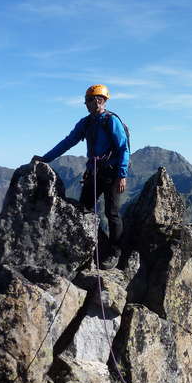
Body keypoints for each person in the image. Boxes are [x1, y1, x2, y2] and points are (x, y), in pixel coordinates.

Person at [33, 84, 129, 269]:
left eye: (89, 100)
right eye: (86, 101)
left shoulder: (111, 121)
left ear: (100, 100)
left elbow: (124, 148)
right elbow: (68, 142)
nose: (86, 104)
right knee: (84, 210)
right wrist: (46, 158)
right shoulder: (86, 123)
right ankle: (99, 245)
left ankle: (116, 253)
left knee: (112, 213)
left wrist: (121, 175)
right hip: (94, 172)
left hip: (111, 173)